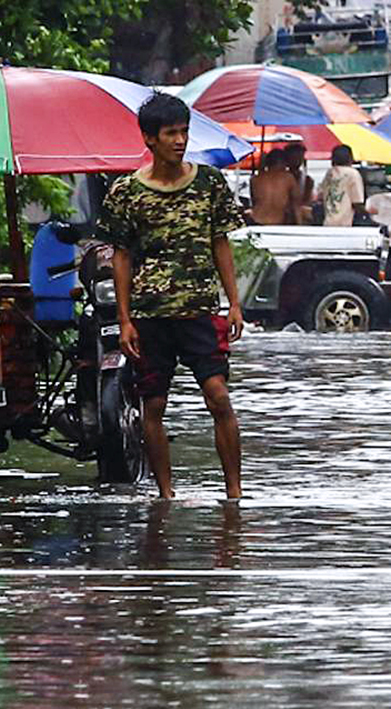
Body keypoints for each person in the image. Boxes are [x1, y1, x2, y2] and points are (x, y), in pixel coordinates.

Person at [99, 92, 247, 500]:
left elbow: (220, 243)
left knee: (218, 395)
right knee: (154, 406)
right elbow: (121, 257)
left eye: (184, 132)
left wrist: (234, 302)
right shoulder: (126, 193)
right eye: (170, 134)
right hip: (150, 314)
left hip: (200, 308)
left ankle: (234, 492)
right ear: (149, 139)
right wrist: (125, 318)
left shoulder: (209, 184)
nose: (179, 141)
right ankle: (166, 495)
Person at [249, 141, 302, 225]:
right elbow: (296, 205)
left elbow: (254, 201)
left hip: (256, 221)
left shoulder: (255, 179)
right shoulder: (288, 178)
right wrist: (300, 225)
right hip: (276, 222)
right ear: (284, 162)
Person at [316, 145, 366, 227]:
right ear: (350, 158)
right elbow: (357, 203)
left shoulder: (330, 173)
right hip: (345, 224)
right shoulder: (353, 174)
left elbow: (321, 195)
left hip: (328, 223)